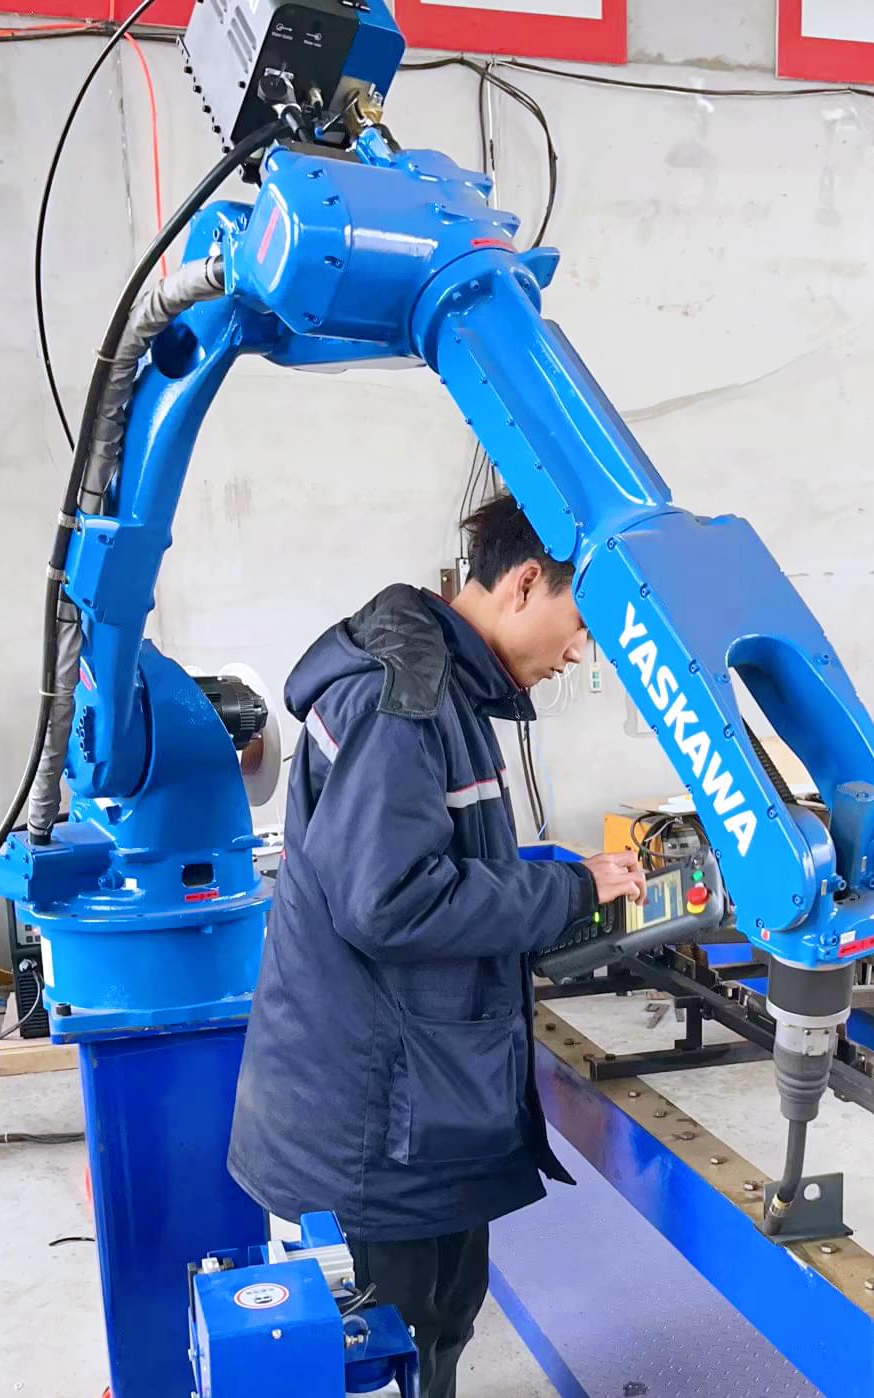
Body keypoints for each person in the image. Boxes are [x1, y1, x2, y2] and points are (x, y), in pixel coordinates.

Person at [228, 492, 647, 1398]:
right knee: (397, 1344)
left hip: (412, 1108)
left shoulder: (440, 689)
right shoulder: (401, 699)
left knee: (438, 1325)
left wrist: (562, 877)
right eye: (582, 625)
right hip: (377, 1132)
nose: (580, 653)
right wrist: (567, 890)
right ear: (524, 583)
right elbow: (389, 901)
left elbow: (429, 861)